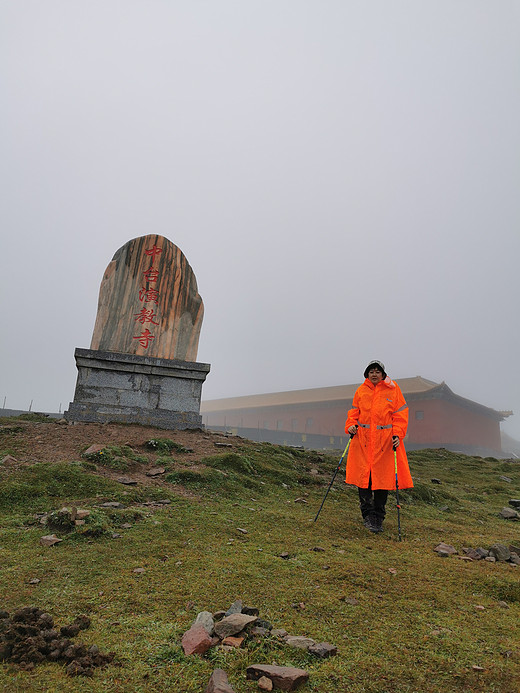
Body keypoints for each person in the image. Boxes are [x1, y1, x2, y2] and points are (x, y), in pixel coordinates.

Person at [345, 360, 413, 533]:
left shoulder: (393, 389)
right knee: (364, 479)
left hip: (385, 442)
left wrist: (397, 434)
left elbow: (400, 414)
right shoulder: (361, 391)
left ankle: (378, 517)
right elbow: (354, 412)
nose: (374, 374)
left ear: (383, 374)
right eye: (371, 371)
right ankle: (367, 515)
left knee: (382, 480)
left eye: (377, 371)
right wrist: (351, 425)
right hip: (363, 441)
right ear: (367, 374)